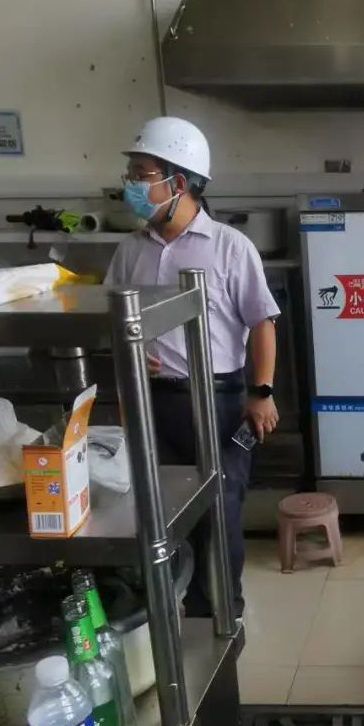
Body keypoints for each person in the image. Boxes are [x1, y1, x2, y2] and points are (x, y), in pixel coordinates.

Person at [105, 116, 279, 618]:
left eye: (142, 175)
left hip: (216, 400)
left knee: (218, 512)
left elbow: (262, 322)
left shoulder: (229, 246)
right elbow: (117, 325)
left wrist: (262, 392)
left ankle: (218, 613)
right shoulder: (130, 251)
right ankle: (158, 613)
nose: (132, 186)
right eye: (131, 175)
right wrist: (126, 383)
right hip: (151, 400)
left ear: (178, 182)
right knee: (156, 508)